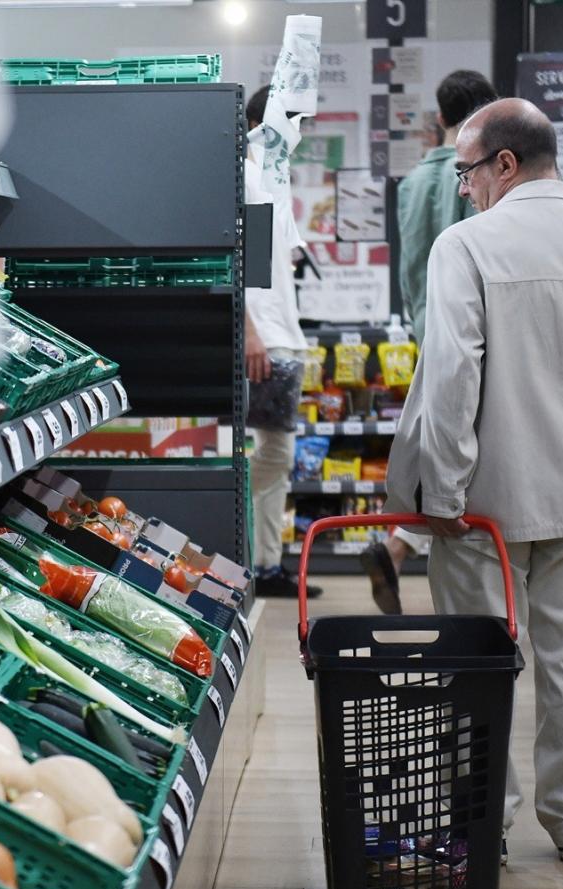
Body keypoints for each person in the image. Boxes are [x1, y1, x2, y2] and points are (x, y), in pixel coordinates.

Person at [385, 99, 563, 863]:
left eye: (466, 170)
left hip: (483, 505)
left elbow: (455, 377)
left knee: (477, 663)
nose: (461, 187)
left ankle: (479, 821)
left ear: (504, 163)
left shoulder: (466, 247)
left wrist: (445, 495)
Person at [361, 69, 498, 615]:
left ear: (439, 117)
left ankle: (396, 548)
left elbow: (408, 266)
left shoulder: (414, 179)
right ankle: (410, 549)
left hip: (425, 329)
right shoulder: (478, 177)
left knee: (434, 445)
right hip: (474, 333)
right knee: (467, 464)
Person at [244, 85, 320, 599]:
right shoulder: (247, 175)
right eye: (296, 122)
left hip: (283, 334)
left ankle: (267, 564)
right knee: (273, 453)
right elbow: (238, 257)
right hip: (265, 338)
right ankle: (231, 533)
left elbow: (281, 255)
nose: (301, 133)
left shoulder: (272, 176)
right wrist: (249, 330)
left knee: (276, 454)